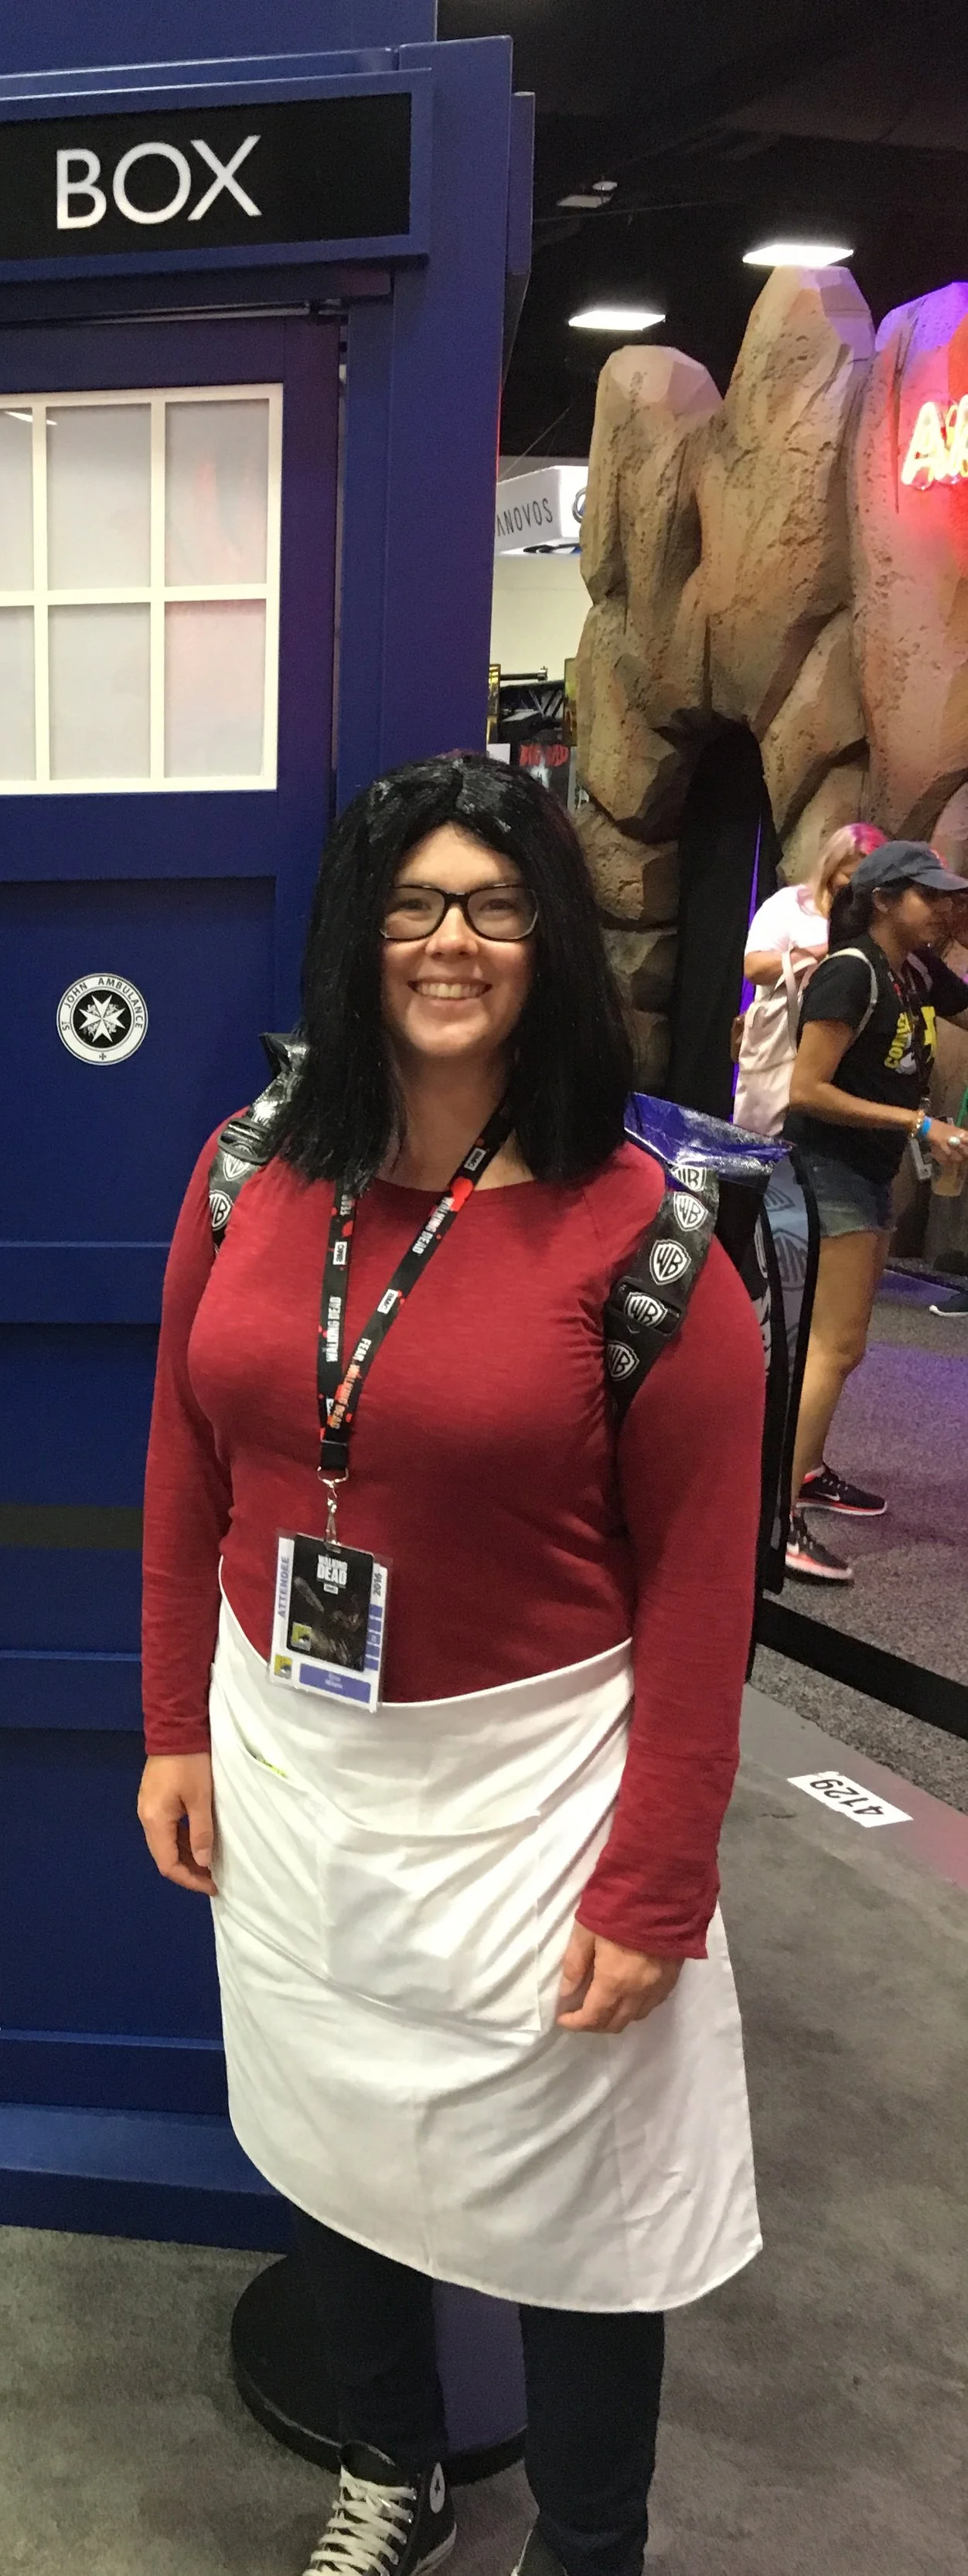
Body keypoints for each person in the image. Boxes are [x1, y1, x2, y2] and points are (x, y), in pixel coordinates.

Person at [138, 754, 765, 2576]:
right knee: (339, 2137)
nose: (451, 942)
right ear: (359, 938)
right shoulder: (251, 1169)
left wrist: (657, 1877)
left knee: (577, 2204)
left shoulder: (641, 1238)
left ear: (547, 946)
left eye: (494, 908)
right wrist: (176, 1719)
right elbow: (190, 1462)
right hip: (290, 1756)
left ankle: (587, 2544)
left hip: (538, 1793)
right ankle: (389, 2467)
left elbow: (706, 1594)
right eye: (413, 904)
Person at [782, 840, 968, 1581]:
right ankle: (776, 1518)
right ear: (886, 898)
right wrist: (917, 1125)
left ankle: (808, 1470)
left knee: (841, 1344)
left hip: (866, 1173)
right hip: (827, 1170)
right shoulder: (850, 971)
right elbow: (806, 1090)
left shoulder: (915, 969)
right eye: (932, 896)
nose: (945, 908)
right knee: (835, 1344)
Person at [731, 821, 881, 1135]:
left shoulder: (872, 921)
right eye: (851, 876)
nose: (858, 889)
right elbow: (754, 968)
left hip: (843, 1057)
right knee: (772, 1146)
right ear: (830, 868)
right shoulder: (791, 906)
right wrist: (819, 952)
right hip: (784, 1046)